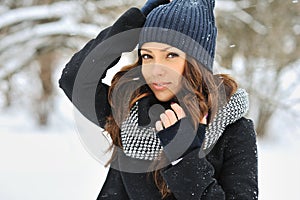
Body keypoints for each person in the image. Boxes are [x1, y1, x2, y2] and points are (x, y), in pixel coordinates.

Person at [59, 0, 258, 199]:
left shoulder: (233, 131)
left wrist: (185, 157)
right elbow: (74, 79)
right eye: (147, 56)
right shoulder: (129, 113)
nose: (155, 70)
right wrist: (131, 24)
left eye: (171, 55)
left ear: (197, 61)